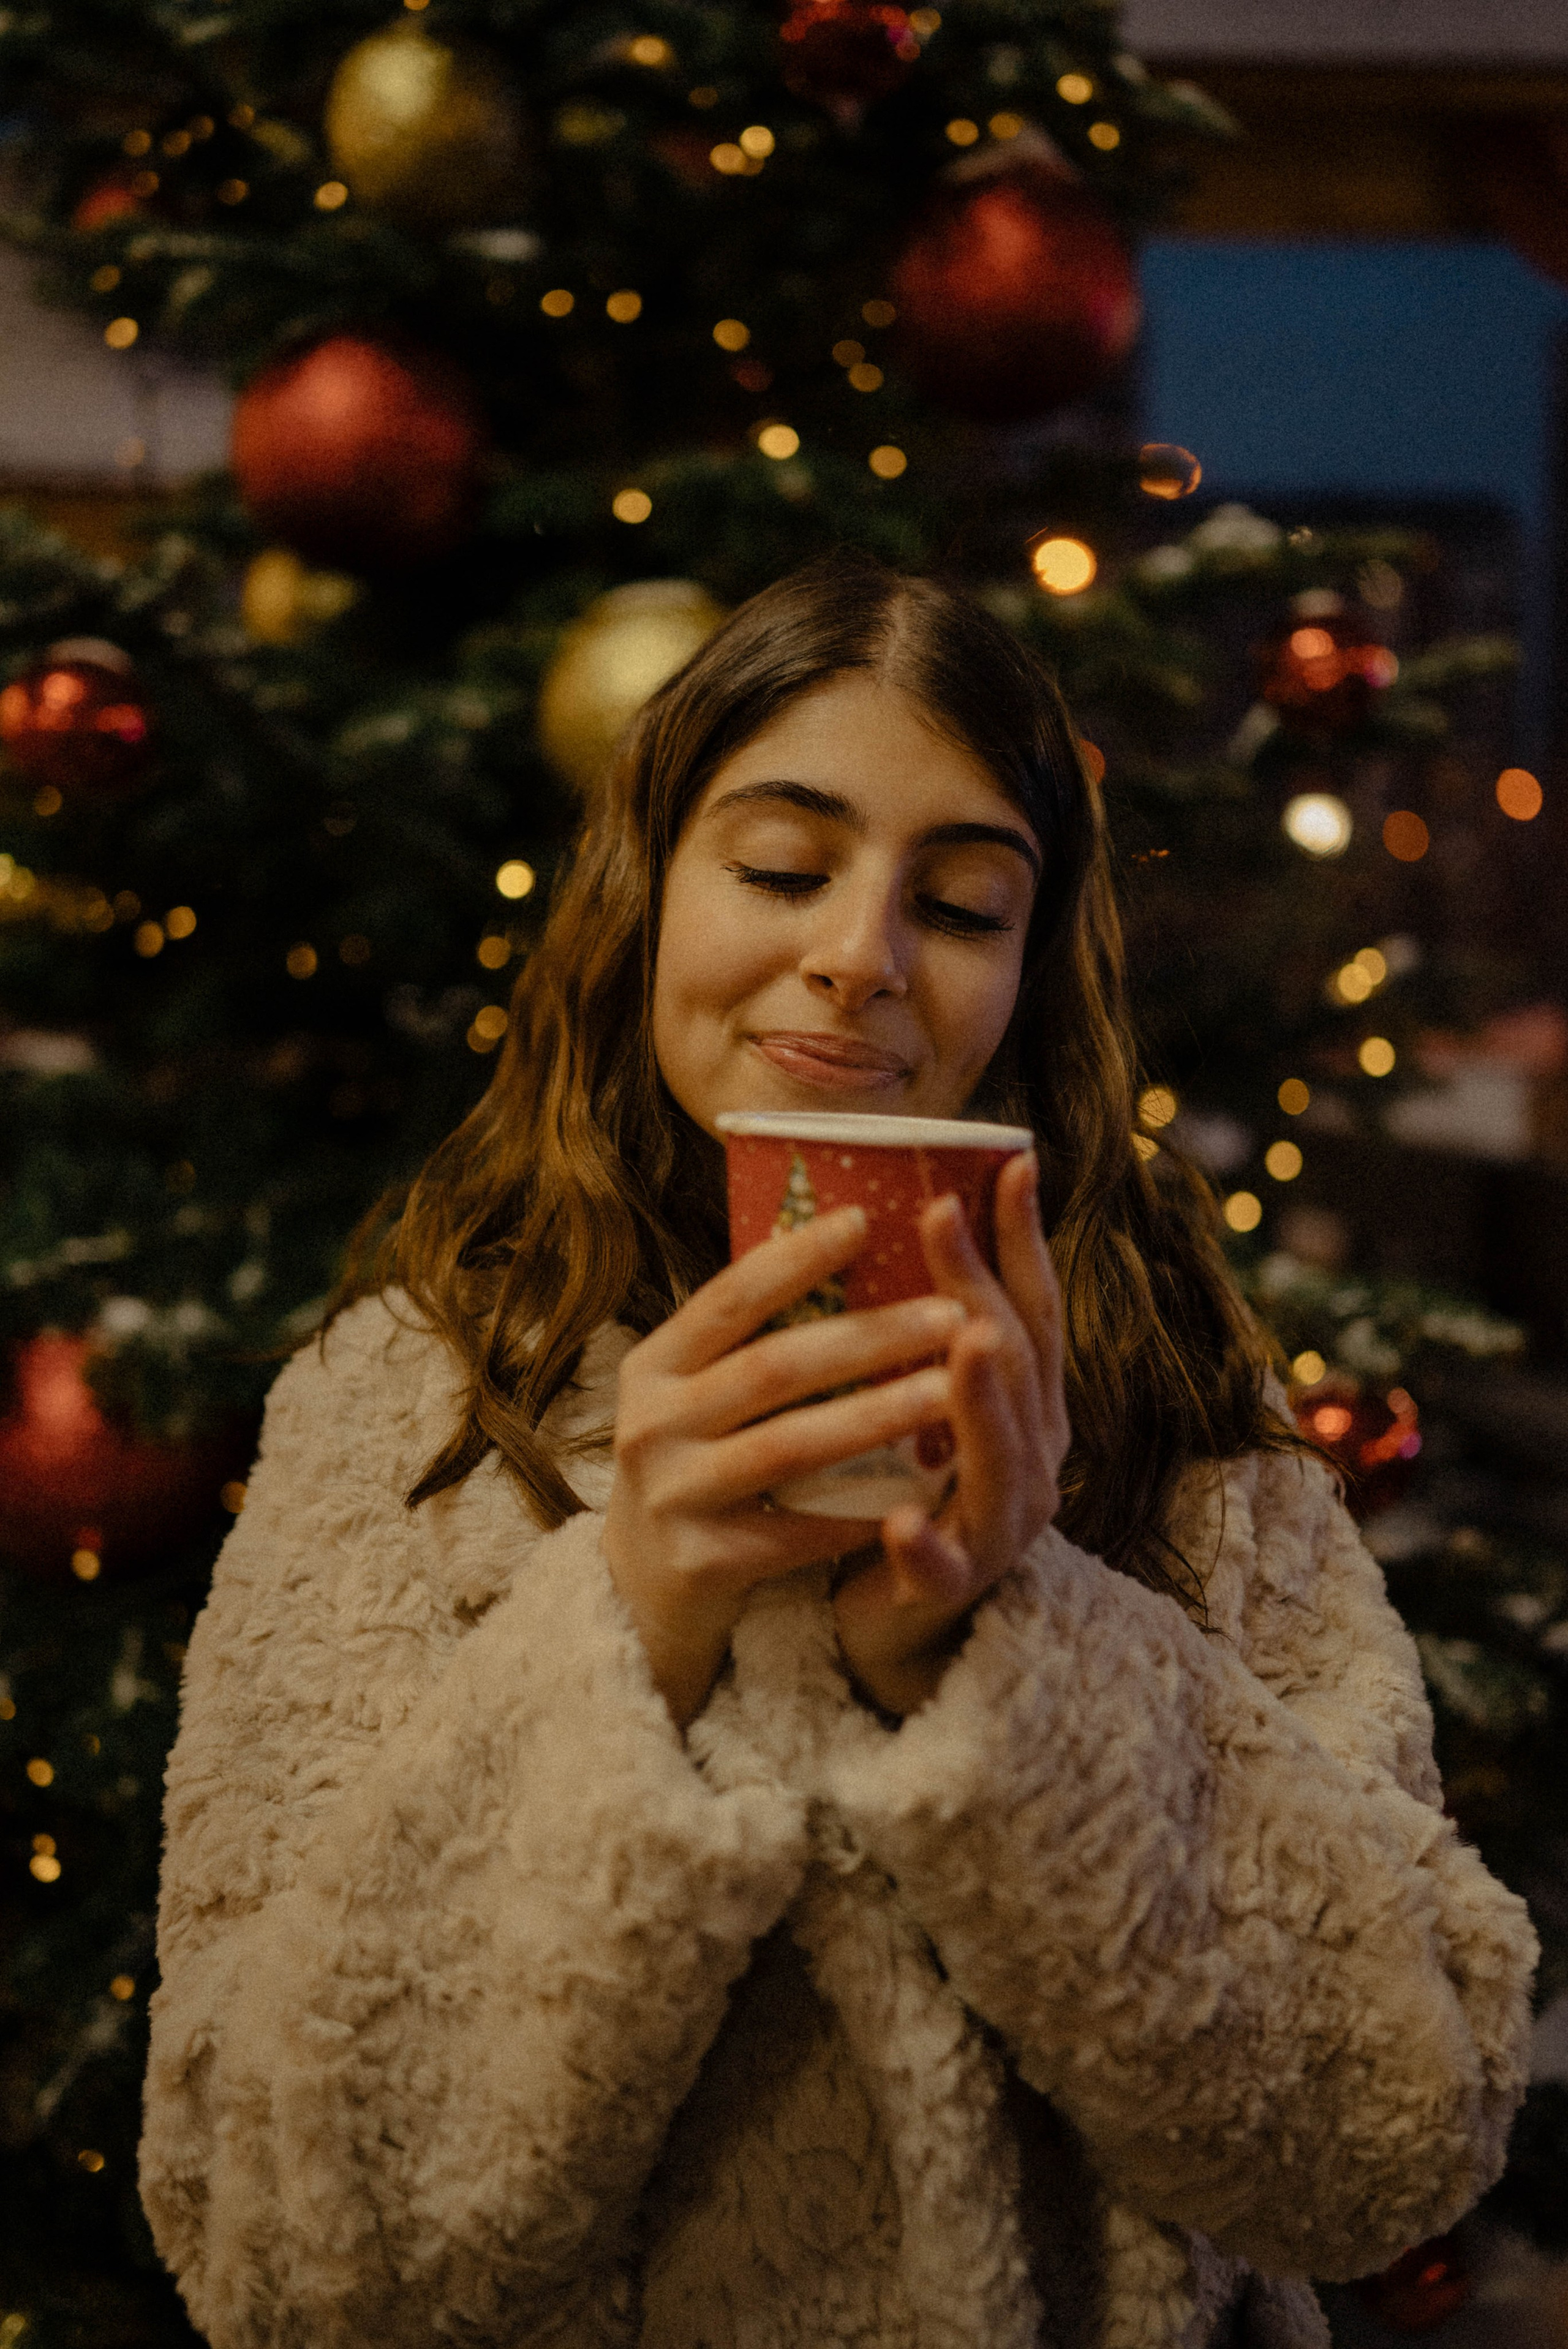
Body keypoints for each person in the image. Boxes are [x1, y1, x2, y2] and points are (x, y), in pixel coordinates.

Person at [141, 556, 1536, 2349]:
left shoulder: (1178, 1409)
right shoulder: (408, 1406)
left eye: (959, 905)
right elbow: (274, 2239)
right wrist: (635, 1602)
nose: (859, 955)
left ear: (1025, 977)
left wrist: (999, 1654)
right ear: (648, 893)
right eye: (783, 867)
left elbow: (1387, 2140)